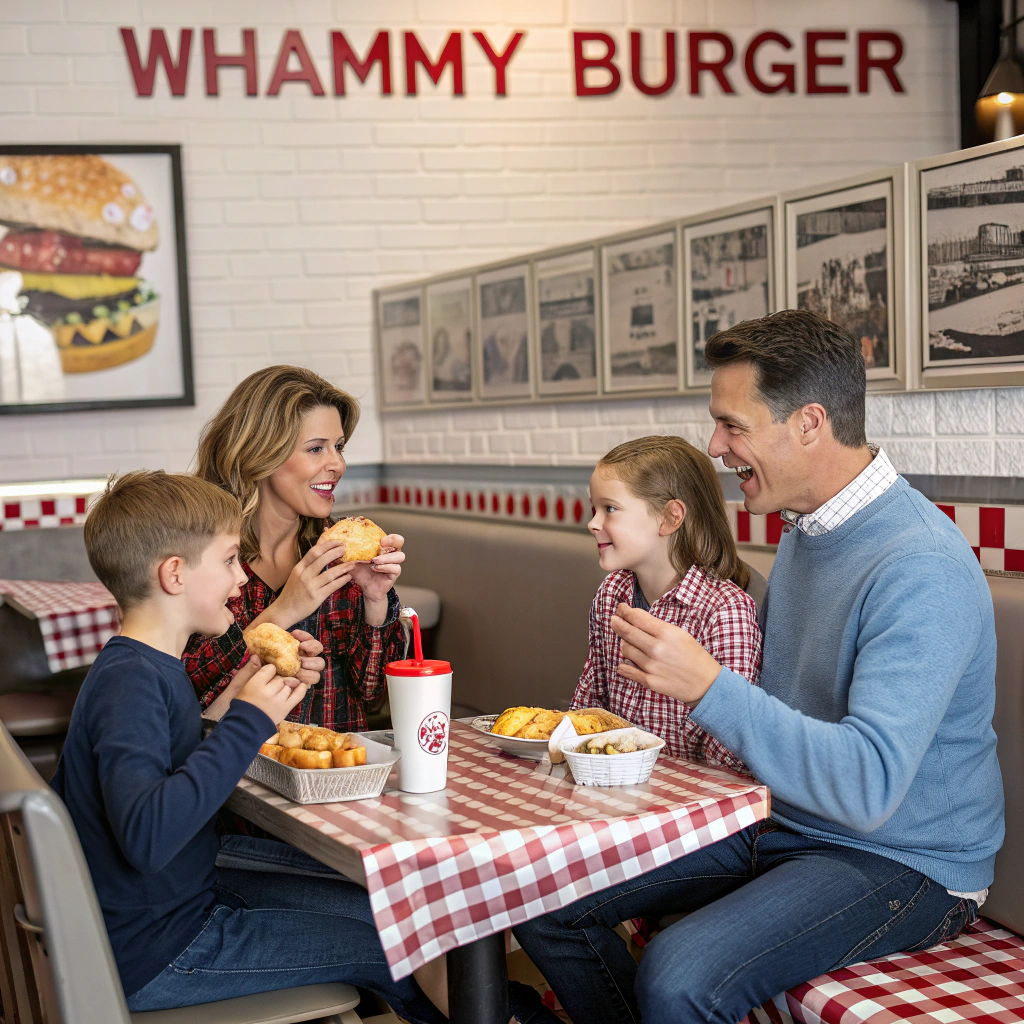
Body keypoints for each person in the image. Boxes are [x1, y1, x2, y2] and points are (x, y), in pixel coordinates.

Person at [513, 309, 1004, 1024]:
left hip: (902, 860)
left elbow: (868, 786)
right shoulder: (809, 530)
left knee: (680, 974)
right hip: (778, 819)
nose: (715, 447)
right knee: (535, 892)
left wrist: (708, 686)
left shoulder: (921, 565)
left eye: (732, 426)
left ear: (808, 423)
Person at [51, 471, 444, 1020]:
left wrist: (236, 698)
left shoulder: (144, 666)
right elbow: (148, 836)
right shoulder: (130, 684)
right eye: (231, 560)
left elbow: (172, 763)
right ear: (174, 574)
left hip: (173, 908)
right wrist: (248, 721)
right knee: (399, 944)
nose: (242, 579)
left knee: (392, 908)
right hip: (162, 951)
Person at [183, 365, 406, 732]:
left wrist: (376, 601)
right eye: (316, 449)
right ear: (260, 453)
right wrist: (285, 609)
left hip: (334, 761)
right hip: (234, 762)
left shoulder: (341, 551)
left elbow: (372, 694)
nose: (337, 464)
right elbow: (188, 694)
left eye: (339, 447)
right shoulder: (204, 556)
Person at [574, 435, 761, 768]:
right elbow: (590, 706)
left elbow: (729, 759)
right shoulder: (611, 593)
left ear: (670, 517)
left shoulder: (724, 611)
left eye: (610, 509)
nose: (593, 523)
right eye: (594, 508)